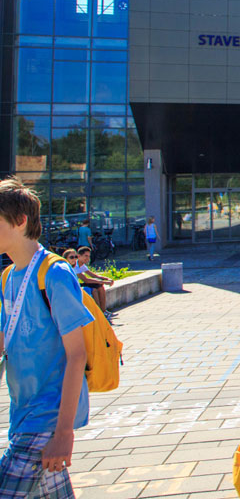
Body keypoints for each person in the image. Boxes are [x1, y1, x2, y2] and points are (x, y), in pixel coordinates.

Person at [0, 177, 94, 499]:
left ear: (20, 221)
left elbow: (77, 355)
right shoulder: (8, 277)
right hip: (22, 415)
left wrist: (64, 433)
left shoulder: (54, 273)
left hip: (45, 420)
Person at [71, 246, 115, 320]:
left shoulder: (82, 265)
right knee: (94, 289)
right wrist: (104, 282)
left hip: (79, 284)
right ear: (79, 256)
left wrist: (106, 279)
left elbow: (93, 275)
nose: (88, 258)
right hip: (74, 286)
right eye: (86, 256)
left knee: (100, 287)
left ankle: (103, 311)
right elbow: (86, 280)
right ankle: (98, 313)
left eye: (89, 256)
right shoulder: (75, 266)